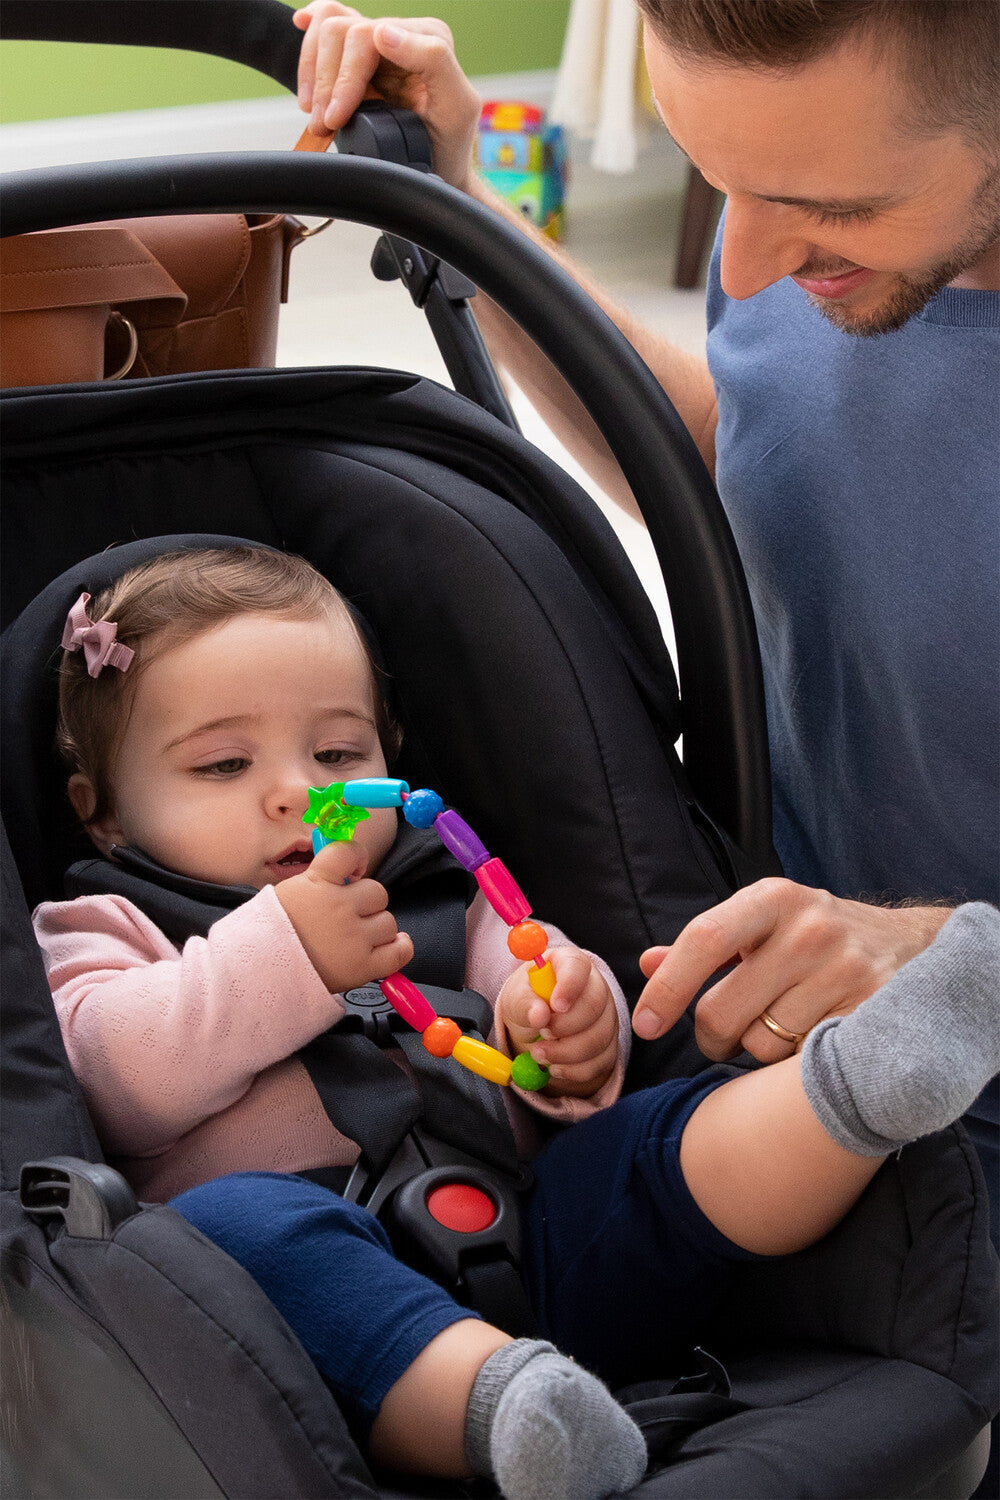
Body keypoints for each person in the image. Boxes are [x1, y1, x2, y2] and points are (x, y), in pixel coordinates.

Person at [35, 544, 999, 1499]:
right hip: (311, 1322)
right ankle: (515, 1414)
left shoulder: (443, 900)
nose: (302, 792)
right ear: (104, 814)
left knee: (662, 1138)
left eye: (337, 753)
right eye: (223, 764)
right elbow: (119, 1077)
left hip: (537, 1232)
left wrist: (572, 1025)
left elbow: (552, 1020)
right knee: (227, 1230)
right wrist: (285, 954)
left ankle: (861, 1084)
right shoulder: (103, 927)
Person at [291, 0, 999, 1224]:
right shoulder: (812, 200)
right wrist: (456, 199)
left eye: (833, 212)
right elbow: (751, 453)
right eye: (718, 178)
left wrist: (952, 954)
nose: (744, 268)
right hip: (770, 1057)